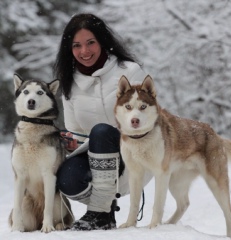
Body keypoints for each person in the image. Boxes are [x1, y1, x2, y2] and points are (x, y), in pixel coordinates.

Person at [53, 13, 152, 231]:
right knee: (66, 178)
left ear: (102, 42)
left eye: (90, 43)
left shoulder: (129, 71)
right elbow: (76, 130)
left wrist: (109, 135)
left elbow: (149, 119)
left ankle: (98, 211)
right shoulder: (69, 81)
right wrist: (70, 141)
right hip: (95, 159)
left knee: (101, 131)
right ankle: (105, 213)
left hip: (133, 155)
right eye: (77, 45)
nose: (84, 52)